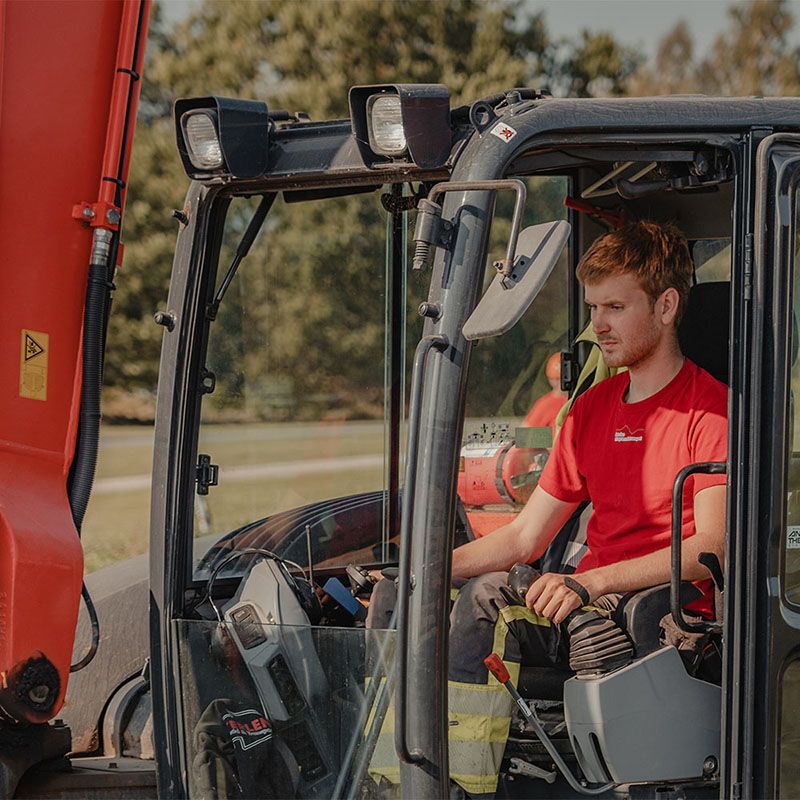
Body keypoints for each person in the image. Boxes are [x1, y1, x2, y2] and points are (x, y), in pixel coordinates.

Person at [368, 220, 728, 797]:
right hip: (583, 603)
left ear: (665, 306)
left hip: (658, 615)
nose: (598, 325)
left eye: (615, 307)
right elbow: (524, 538)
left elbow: (711, 548)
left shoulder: (710, 412)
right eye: (593, 307)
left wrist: (590, 582)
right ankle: (396, 776)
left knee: (486, 601)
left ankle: (456, 786)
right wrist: (420, 570)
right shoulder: (589, 412)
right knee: (414, 597)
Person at [523, 351, 567, 433]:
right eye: (556, 379)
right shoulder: (546, 405)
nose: (560, 384)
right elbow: (525, 437)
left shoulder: (580, 401)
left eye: (561, 379)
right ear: (550, 380)